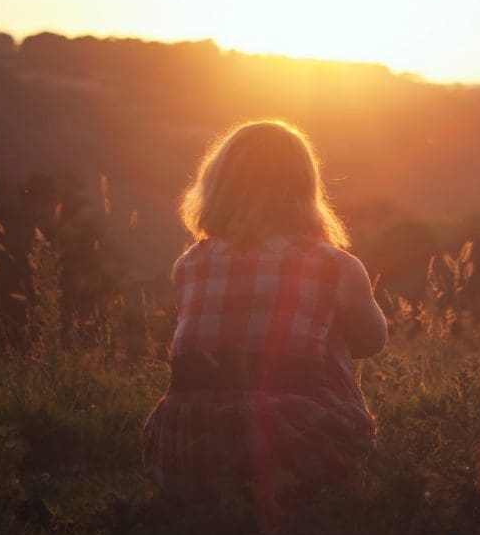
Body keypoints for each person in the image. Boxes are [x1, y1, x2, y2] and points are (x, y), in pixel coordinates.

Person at [141, 120, 387, 506]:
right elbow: (372, 342)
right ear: (306, 190)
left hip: (184, 456)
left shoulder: (188, 264)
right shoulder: (334, 265)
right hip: (292, 455)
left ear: (216, 185)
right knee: (328, 334)